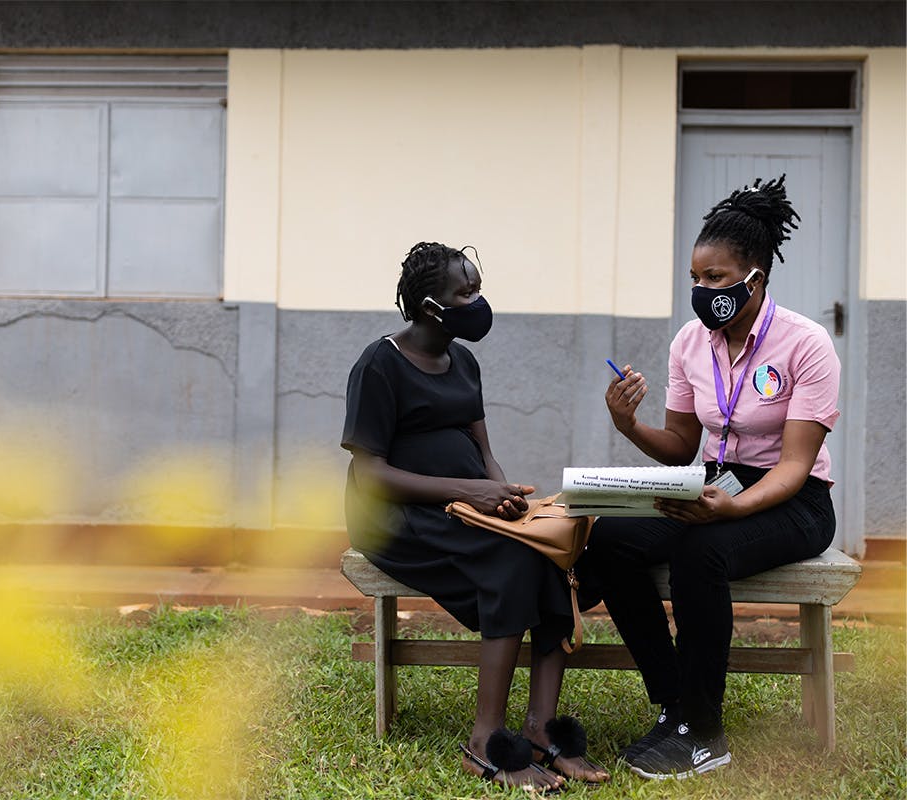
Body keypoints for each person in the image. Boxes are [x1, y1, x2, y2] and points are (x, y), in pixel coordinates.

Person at [577, 175, 841, 780]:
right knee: (612, 542)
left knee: (701, 553)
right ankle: (676, 704)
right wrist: (628, 425)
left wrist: (730, 510)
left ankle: (705, 730)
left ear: (756, 278)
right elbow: (678, 450)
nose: (702, 291)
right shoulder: (689, 343)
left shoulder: (806, 343)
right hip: (711, 483)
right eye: (696, 279)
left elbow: (797, 465)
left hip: (794, 498)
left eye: (717, 279)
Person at [342, 241, 609, 791]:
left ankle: (540, 729)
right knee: (512, 562)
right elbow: (370, 473)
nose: (478, 302)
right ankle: (485, 741)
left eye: (478, 289)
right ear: (427, 305)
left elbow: (483, 450)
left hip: (464, 509)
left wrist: (503, 496)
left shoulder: (463, 360)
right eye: (465, 293)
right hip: (395, 518)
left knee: (552, 554)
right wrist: (467, 494)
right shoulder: (379, 363)